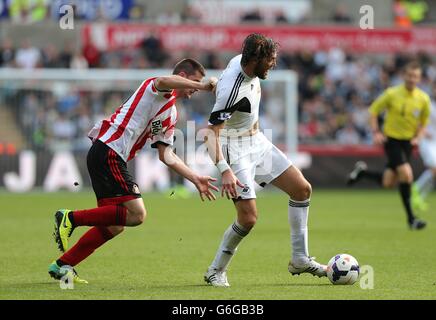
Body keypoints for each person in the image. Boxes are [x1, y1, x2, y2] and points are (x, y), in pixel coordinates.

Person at [49, 58, 219, 283]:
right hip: (109, 150)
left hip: (109, 155)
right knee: (137, 215)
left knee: (115, 225)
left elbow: (165, 154)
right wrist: (204, 86)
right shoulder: (157, 88)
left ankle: (62, 265)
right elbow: (164, 80)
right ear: (183, 77)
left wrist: (195, 177)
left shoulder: (170, 113)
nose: (195, 90)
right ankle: (70, 218)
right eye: (194, 83)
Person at [203, 33, 327, 287]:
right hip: (233, 149)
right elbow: (208, 135)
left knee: (302, 189)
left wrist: (216, 88)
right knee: (248, 218)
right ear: (255, 59)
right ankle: (215, 270)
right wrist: (225, 171)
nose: (273, 64)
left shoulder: (242, 65)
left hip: (257, 142)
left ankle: (300, 259)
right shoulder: (231, 90)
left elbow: (230, 97)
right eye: (270, 59)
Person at [347, 61, 431, 230]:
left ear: (419, 78)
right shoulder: (392, 93)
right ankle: (411, 219)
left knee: (388, 183)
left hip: (408, 143)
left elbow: (423, 123)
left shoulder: (423, 99)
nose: (412, 79)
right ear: (404, 76)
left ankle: (362, 173)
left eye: (415, 76)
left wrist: (418, 137)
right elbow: (373, 111)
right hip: (392, 140)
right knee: (406, 174)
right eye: (409, 75)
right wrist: (376, 132)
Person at [412, 95, 436, 210]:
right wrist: (423, 132)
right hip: (427, 142)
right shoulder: (428, 105)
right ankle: (415, 188)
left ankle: (420, 198)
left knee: (434, 172)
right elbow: (415, 119)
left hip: (435, 142)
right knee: (434, 168)